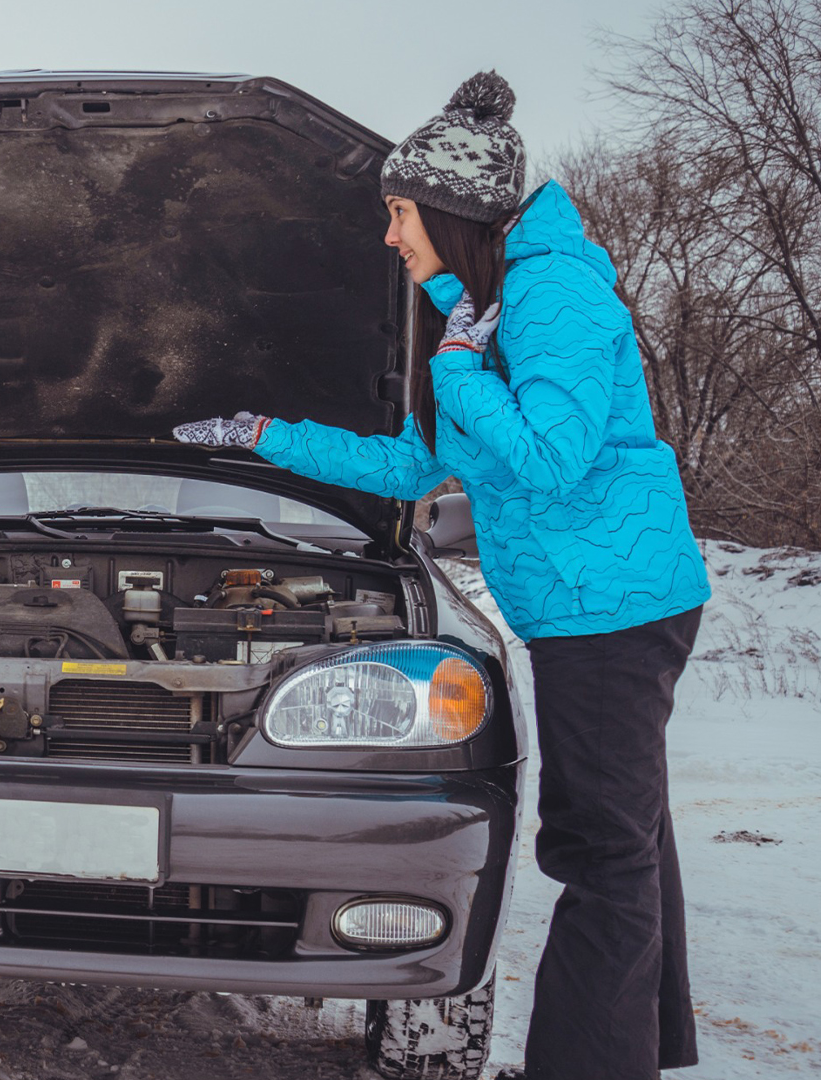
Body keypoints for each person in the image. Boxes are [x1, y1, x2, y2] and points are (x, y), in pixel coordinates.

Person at [172, 72, 710, 1080]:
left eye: (399, 213)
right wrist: (265, 435)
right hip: (585, 601)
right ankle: (639, 1051)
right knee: (629, 836)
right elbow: (417, 466)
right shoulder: (481, 301)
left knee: (599, 850)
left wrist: (461, 359)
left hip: (615, 607)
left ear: (452, 211)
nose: (389, 237)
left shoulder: (553, 296)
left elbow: (550, 459)